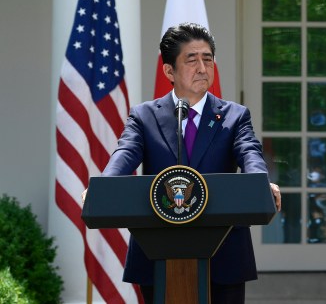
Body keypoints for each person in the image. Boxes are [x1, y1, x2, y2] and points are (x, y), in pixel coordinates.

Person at [90, 22, 281, 304]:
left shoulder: (234, 116)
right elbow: (125, 154)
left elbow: (250, 152)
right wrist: (103, 187)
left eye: (208, 59)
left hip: (224, 254)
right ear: (169, 71)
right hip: (158, 251)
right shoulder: (144, 116)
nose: (203, 68)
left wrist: (260, 183)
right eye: (192, 60)